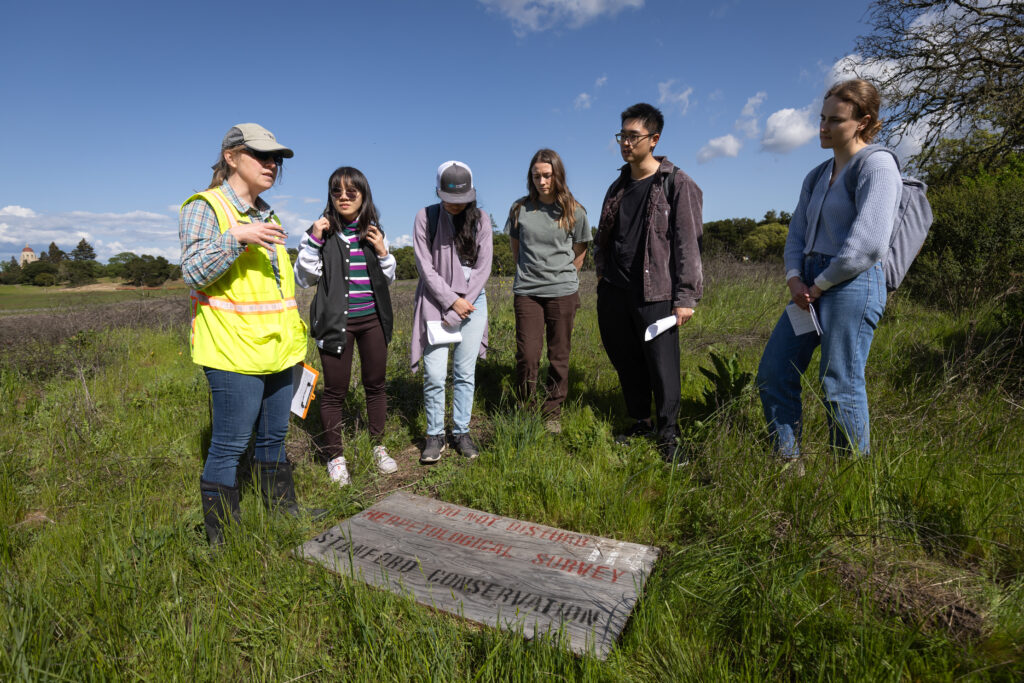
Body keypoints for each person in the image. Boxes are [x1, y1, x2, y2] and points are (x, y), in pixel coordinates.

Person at [179, 123, 323, 547]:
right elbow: (193, 273)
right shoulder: (205, 207)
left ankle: (284, 514)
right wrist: (236, 237)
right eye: (262, 156)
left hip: (278, 350)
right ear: (231, 157)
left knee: (275, 436)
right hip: (232, 351)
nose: (272, 165)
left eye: (276, 158)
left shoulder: (268, 213)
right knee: (229, 444)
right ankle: (222, 538)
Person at [756, 78, 901, 465]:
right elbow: (797, 233)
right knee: (773, 373)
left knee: (839, 383)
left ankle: (848, 481)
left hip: (851, 284)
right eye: (822, 118)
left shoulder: (877, 165)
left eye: (835, 120)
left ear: (863, 121)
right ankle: (788, 463)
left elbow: (868, 245)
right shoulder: (817, 175)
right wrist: (793, 277)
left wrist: (819, 284)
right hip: (808, 283)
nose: (823, 127)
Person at [594, 103, 704, 463]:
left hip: (655, 290)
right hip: (615, 288)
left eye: (633, 136)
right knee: (624, 357)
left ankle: (669, 434)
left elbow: (688, 241)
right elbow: (606, 234)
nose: (625, 143)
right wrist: (601, 272)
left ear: (654, 139)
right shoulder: (619, 184)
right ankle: (640, 419)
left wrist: (685, 295)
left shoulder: (676, 182)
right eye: (622, 136)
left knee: (661, 363)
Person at [294, 166, 398, 486]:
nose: (343, 197)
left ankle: (377, 445)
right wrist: (313, 239)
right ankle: (335, 457)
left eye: (351, 192)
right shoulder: (321, 233)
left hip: (372, 322)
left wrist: (383, 252)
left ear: (363, 196)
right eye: (337, 192)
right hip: (335, 324)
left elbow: (388, 278)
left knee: (375, 384)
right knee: (334, 391)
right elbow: (304, 277)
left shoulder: (373, 232)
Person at [411, 161, 493, 464]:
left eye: (463, 200)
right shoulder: (426, 217)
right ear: (438, 192)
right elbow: (424, 266)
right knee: (434, 373)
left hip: (473, 302)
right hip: (436, 301)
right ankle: (435, 435)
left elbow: (484, 267)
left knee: (464, 373)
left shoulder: (481, 219)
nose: (456, 206)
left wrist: (464, 302)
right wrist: (450, 301)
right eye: (450, 200)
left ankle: (461, 431)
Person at [506, 149, 590, 432]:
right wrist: (530, 273)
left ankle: (552, 410)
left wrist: (566, 277)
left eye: (547, 175)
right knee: (528, 355)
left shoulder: (574, 210)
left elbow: (580, 250)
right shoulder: (520, 209)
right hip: (528, 291)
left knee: (559, 354)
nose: (542, 181)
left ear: (557, 175)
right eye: (536, 176)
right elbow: (517, 250)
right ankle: (526, 408)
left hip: (562, 291)